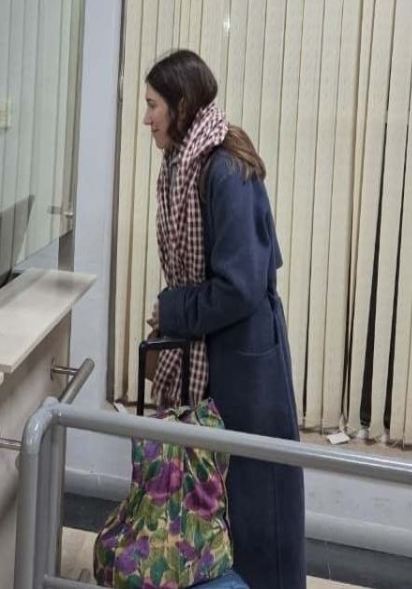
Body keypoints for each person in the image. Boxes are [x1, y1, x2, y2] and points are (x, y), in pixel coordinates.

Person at [143, 50, 306, 589]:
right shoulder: (183, 163)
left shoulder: (225, 169)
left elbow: (239, 287)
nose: (146, 118)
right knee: (212, 510)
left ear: (181, 105)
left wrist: (173, 310)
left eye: (153, 105)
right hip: (217, 355)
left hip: (244, 366)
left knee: (257, 511)